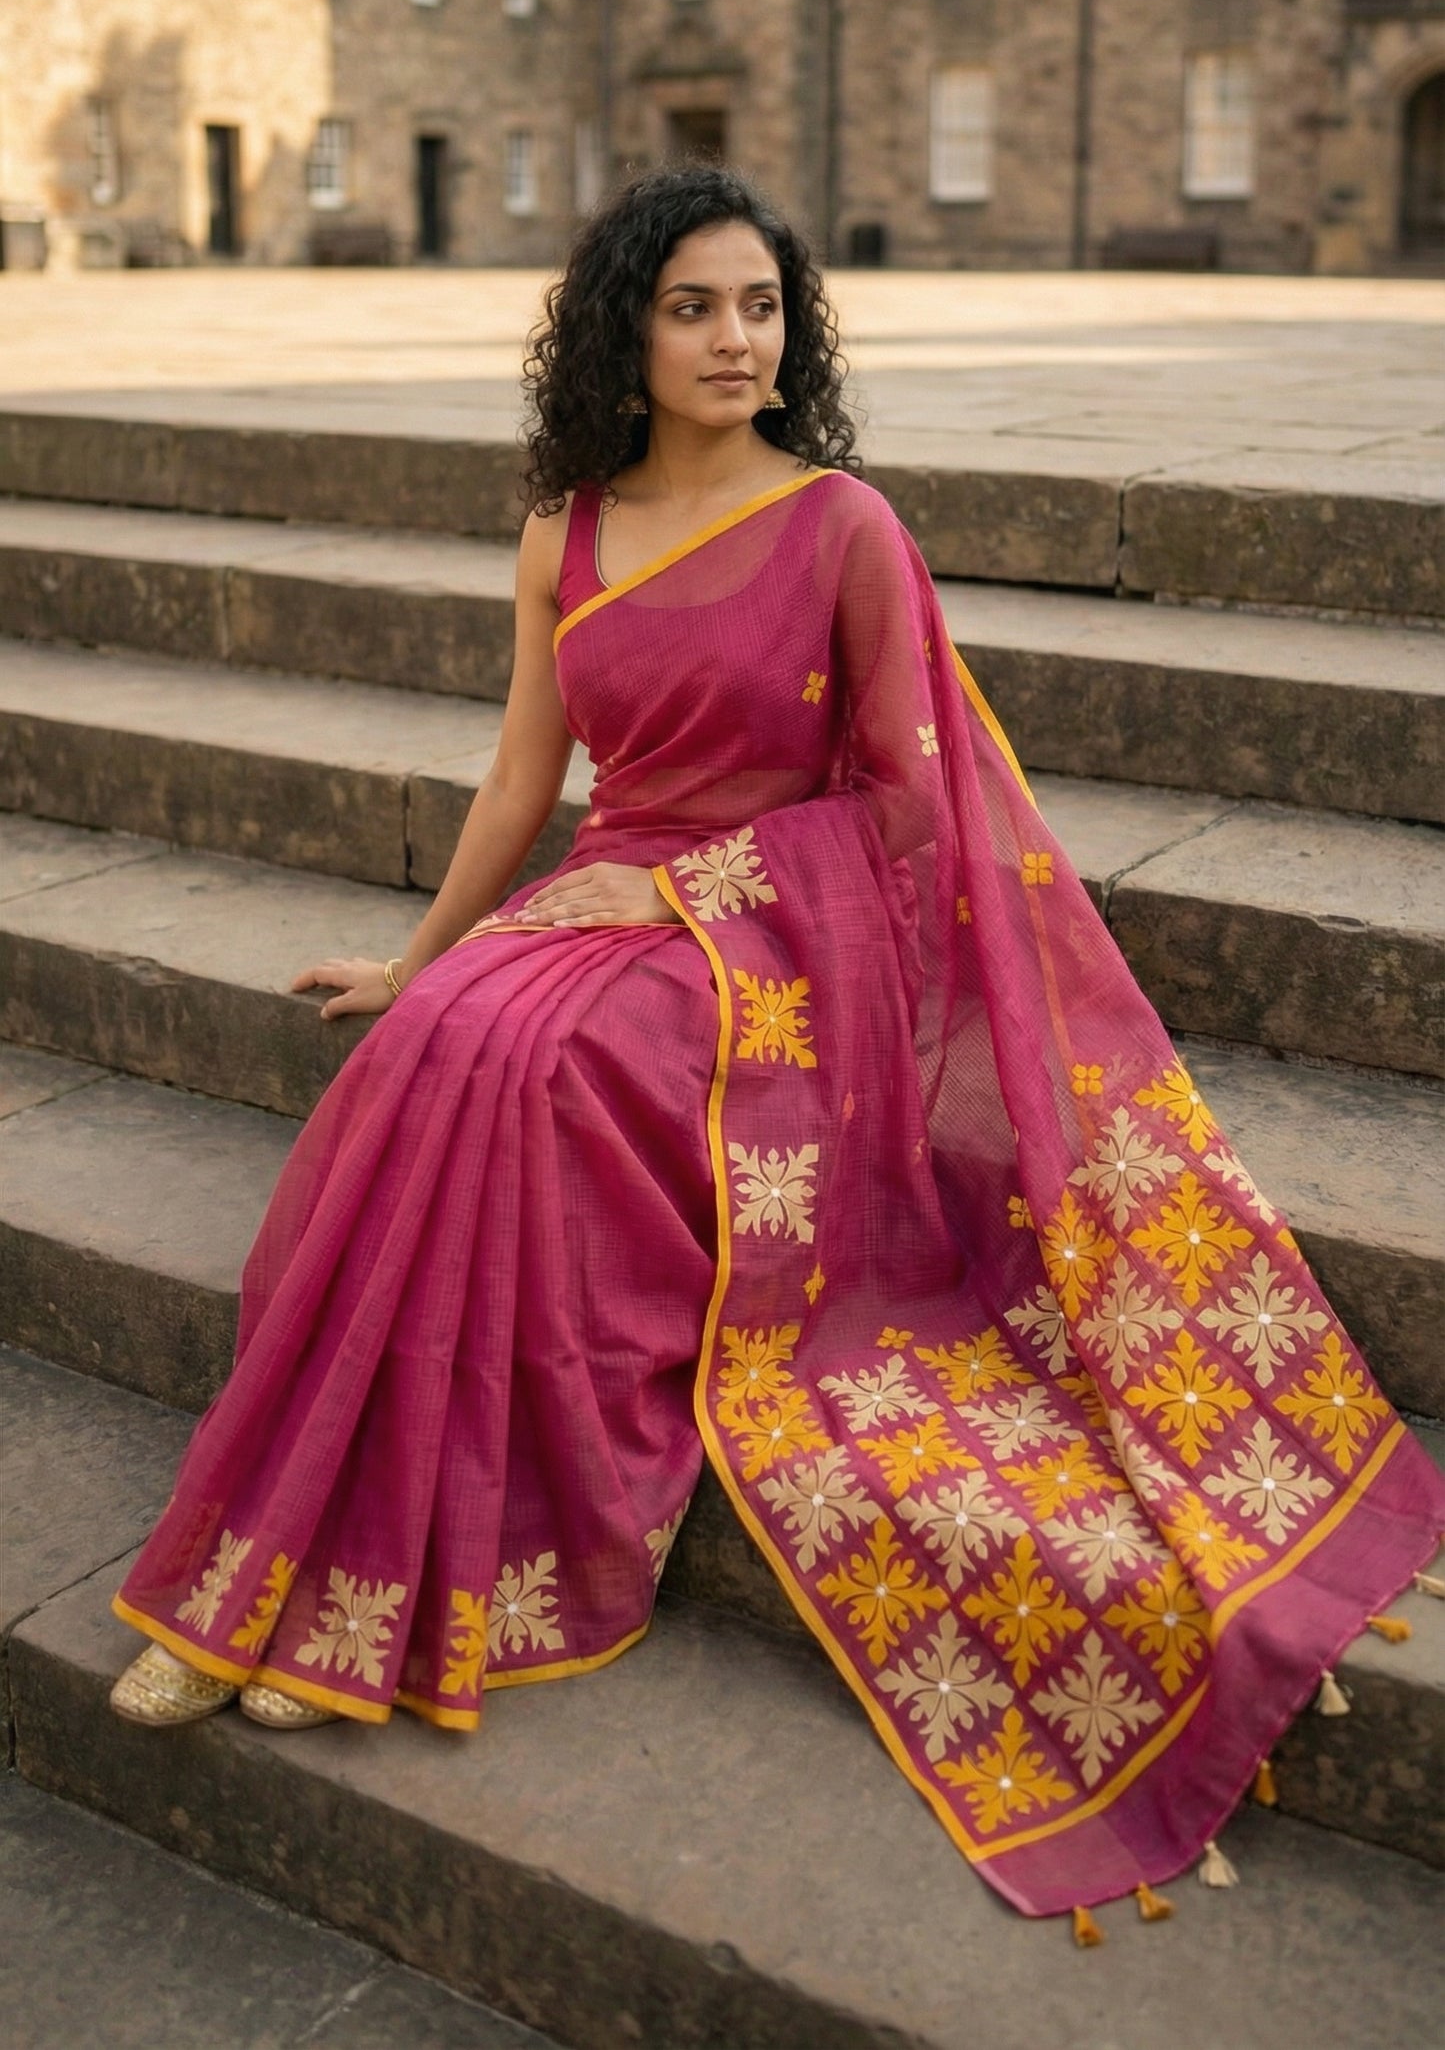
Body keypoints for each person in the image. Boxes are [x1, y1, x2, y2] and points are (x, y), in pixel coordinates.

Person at [110, 166, 1444, 1929]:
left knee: (545, 1069)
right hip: (614, 883)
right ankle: (309, 1550)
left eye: (760, 307)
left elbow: (902, 809)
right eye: (692, 308)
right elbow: (527, 779)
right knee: (436, 1036)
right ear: (623, 333)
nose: (737, 339)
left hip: (785, 943)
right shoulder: (562, 529)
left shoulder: (839, 527)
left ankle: (426, 1556)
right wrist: (420, 950)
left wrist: (685, 905)